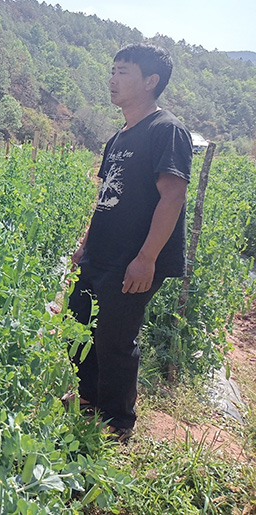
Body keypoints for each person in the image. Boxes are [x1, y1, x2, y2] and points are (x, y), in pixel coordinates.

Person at [66, 43, 192, 441]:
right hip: (100, 254)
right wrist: (85, 243)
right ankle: (89, 398)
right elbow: (105, 197)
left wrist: (147, 258)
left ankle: (118, 421)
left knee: (116, 338)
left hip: (133, 258)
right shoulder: (118, 137)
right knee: (80, 324)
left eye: (123, 72)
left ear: (151, 81)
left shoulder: (166, 130)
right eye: (113, 70)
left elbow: (173, 196)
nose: (113, 79)